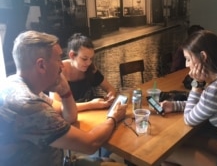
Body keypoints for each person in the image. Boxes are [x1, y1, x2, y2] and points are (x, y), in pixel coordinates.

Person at [0, 30, 127, 166]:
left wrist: (65, 91)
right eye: (58, 59)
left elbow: (68, 116)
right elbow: (90, 144)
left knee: (111, 162)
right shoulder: (29, 105)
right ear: (41, 65)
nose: (62, 65)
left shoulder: (16, 83)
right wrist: (114, 117)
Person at [161, 30, 217, 166]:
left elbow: (189, 119)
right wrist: (174, 105)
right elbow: (204, 105)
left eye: (188, 59)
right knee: (182, 143)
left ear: (203, 56)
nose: (186, 65)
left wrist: (197, 85)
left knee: (167, 154)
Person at [52, 33, 116, 111]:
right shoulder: (58, 71)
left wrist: (111, 95)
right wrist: (91, 105)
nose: (89, 63)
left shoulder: (90, 68)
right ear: (72, 55)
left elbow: (110, 88)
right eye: (84, 59)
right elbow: (57, 106)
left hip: (90, 114)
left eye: (91, 58)